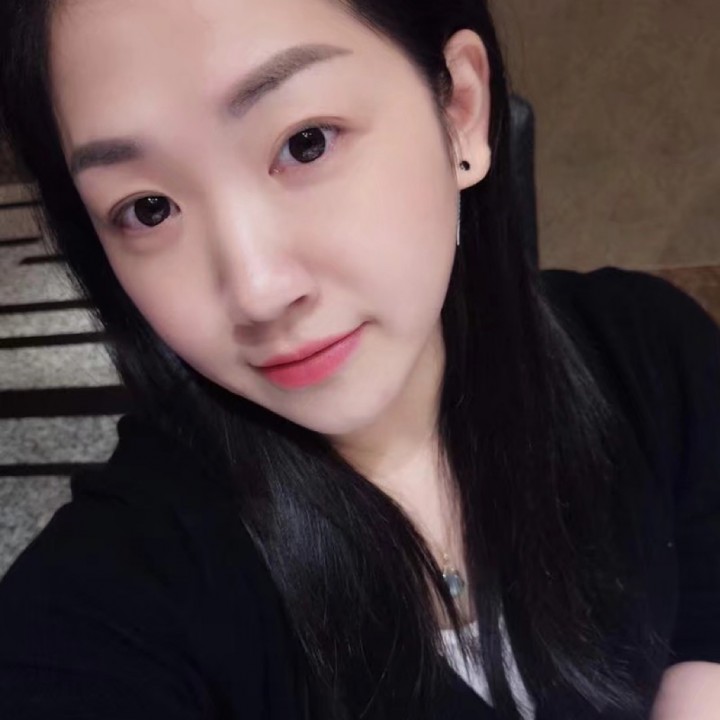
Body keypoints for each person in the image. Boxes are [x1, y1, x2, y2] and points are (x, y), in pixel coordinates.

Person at [0, 0, 718, 717]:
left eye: (306, 143)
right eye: (148, 209)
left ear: (460, 110)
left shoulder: (651, 352)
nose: (258, 292)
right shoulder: (113, 593)